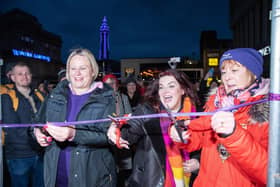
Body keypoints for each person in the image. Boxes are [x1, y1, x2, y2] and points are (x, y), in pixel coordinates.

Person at [170, 48, 269, 187]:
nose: (227, 77)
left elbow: (269, 173)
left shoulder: (269, 112)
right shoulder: (215, 103)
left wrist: (234, 135)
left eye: (234, 70)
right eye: (224, 71)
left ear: (253, 74)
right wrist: (181, 134)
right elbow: (197, 139)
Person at [33, 48, 117, 187]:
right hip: (56, 176)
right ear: (68, 71)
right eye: (73, 68)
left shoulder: (108, 98)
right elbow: (36, 122)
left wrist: (74, 134)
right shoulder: (55, 95)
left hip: (91, 178)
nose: (77, 73)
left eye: (83, 68)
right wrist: (37, 132)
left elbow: (109, 137)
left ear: (92, 71)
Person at [108, 69, 201, 187]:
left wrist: (198, 162)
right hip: (151, 181)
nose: (165, 91)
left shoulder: (195, 115)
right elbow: (128, 134)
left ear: (182, 90)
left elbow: (205, 148)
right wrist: (115, 129)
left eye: (171, 86)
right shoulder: (147, 112)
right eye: (161, 87)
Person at [1, 62, 44, 187]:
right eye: (20, 74)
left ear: (31, 75)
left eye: (27, 73)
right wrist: (37, 136)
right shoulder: (7, 97)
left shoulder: (39, 95)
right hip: (19, 156)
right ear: (13, 77)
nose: (24, 76)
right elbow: (13, 129)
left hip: (40, 154)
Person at [103, 74, 133, 187]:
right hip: (107, 136)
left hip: (122, 133)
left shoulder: (123, 97)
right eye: (108, 84)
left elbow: (129, 115)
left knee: (124, 168)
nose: (111, 86)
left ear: (117, 85)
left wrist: (121, 122)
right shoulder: (101, 99)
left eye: (113, 83)